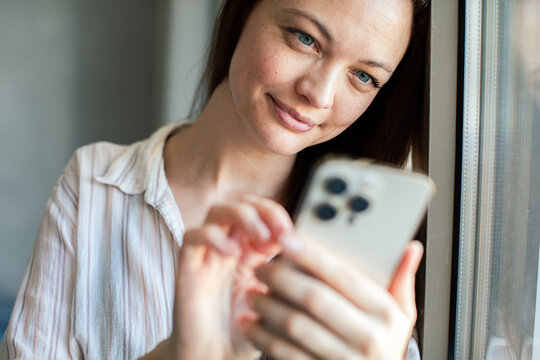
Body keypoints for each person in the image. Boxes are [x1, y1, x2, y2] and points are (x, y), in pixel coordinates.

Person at [0, 0, 430, 359]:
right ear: (244, 11)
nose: (318, 94)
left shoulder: (364, 254)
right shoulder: (96, 184)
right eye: (304, 38)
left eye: (364, 77)